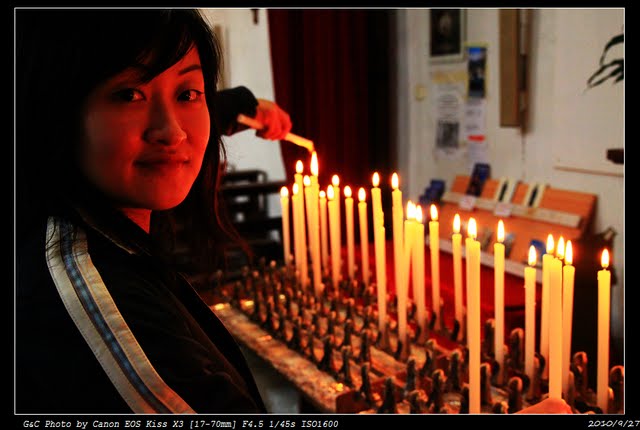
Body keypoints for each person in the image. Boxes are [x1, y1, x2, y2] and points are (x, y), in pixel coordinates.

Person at [15, 8, 290, 414]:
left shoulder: (107, 226)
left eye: (187, 94)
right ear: (57, 111)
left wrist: (244, 106)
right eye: (129, 94)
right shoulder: (102, 303)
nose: (173, 132)